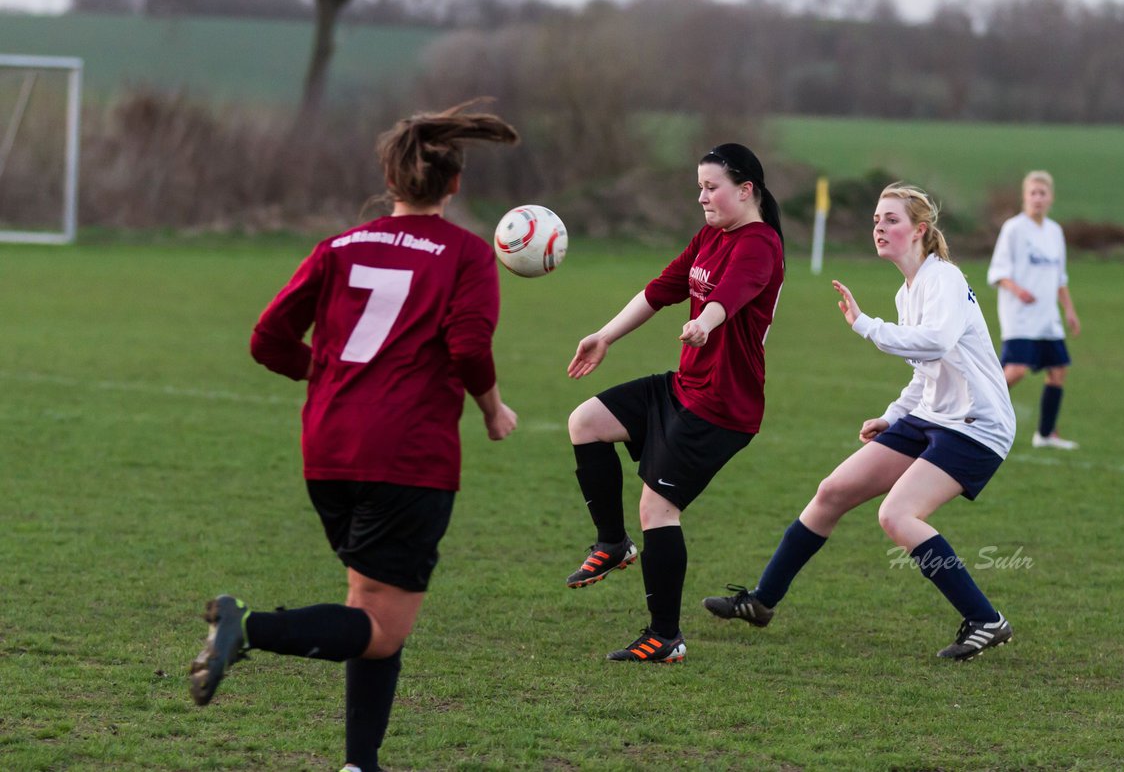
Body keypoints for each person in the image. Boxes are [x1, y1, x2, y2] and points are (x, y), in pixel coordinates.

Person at [188, 101, 521, 772]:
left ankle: (359, 763)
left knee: (369, 609)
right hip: (407, 456)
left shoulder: (338, 246)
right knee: (379, 626)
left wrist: (328, 373)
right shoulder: (465, 256)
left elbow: (266, 339)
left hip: (328, 450)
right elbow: (466, 348)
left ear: (391, 179)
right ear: (454, 185)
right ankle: (245, 627)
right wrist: (491, 408)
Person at [703, 183, 1017, 661]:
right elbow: (925, 371)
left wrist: (865, 326)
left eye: (891, 219)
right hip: (932, 416)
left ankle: (985, 619)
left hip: (977, 424)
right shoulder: (907, 291)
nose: (879, 228)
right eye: (876, 220)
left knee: (896, 515)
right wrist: (892, 416)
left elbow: (934, 342)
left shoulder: (945, 280)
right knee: (832, 491)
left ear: (920, 230)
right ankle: (762, 602)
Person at [564, 143, 785, 664]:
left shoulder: (760, 244)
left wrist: (704, 323)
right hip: (684, 386)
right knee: (586, 422)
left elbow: (732, 294)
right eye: (700, 186)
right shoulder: (711, 235)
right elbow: (661, 289)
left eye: (712, 187)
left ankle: (665, 636)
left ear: (745, 190)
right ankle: (612, 543)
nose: (702, 196)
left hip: (722, 406)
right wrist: (604, 336)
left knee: (658, 507)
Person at [987, 170, 1082, 449]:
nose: (1037, 199)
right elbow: (998, 272)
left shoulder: (1055, 231)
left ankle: (1045, 434)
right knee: (1016, 370)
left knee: (1058, 369)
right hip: (1019, 315)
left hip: (1047, 317)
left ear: (1051, 198)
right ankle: (974, 413)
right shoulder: (1013, 229)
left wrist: (1070, 311)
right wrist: (1018, 290)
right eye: (1033, 193)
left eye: (1043, 193)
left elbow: (1059, 278)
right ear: (1024, 197)